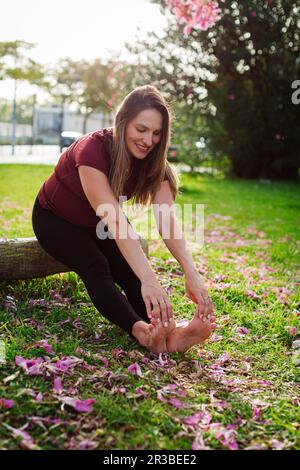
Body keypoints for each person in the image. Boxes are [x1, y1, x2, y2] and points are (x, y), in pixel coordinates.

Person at [32, 85, 216, 354]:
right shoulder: (92, 150)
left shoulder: (154, 166)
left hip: (98, 223)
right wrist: (151, 279)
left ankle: (169, 337)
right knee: (96, 265)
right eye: (141, 129)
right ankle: (141, 332)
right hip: (56, 219)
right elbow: (115, 221)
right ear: (123, 122)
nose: (148, 140)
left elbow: (167, 220)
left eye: (156, 133)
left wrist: (191, 271)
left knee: (133, 273)